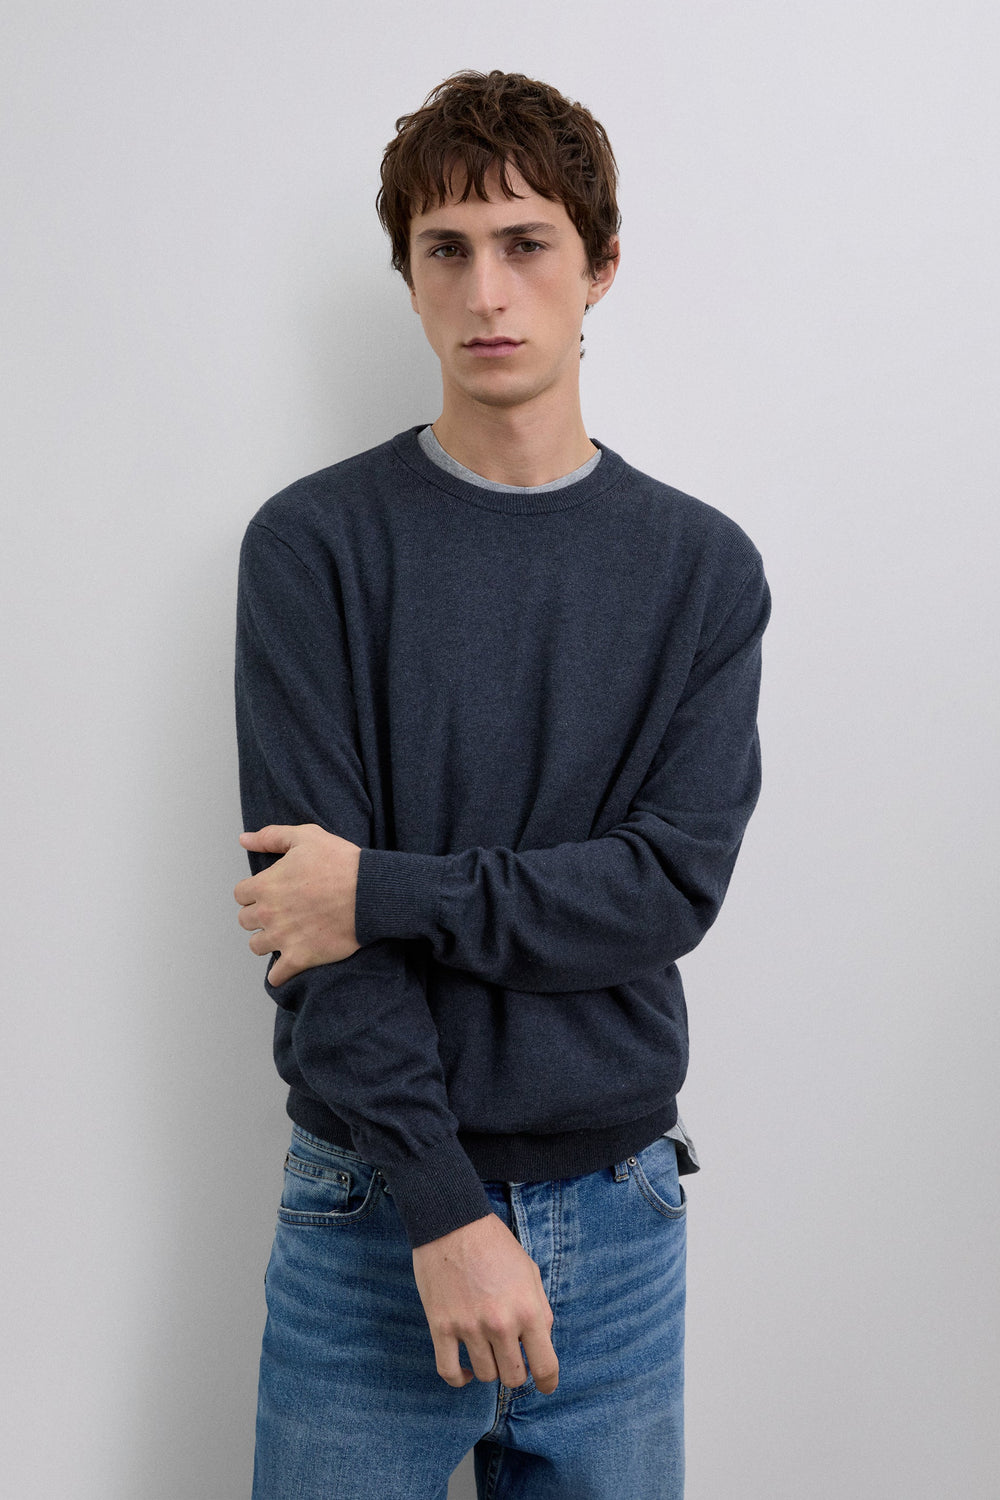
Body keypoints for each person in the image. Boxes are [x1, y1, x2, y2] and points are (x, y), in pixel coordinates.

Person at [233, 68, 769, 1500]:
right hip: (372, 1212)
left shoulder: (701, 571)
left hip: (620, 1213)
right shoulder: (312, 549)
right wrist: (443, 1207)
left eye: (527, 244)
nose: (487, 291)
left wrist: (383, 890)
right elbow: (305, 928)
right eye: (446, 250)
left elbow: (662, 892)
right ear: (408, 277)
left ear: (600, 268)